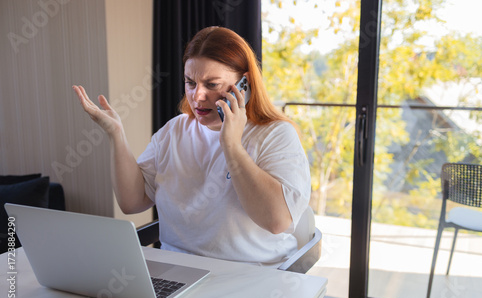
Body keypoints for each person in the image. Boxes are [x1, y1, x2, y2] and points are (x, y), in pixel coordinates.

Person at [73, 26, 310, 266]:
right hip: (178, 272)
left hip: (252, 276)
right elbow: (132, 202)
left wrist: (231, 145)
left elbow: (277, 221)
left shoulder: (275, 135)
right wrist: (116, 134)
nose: (197, 96)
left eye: (212, 84)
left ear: (244, 84)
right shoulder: (174, 131)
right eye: (190, 82)